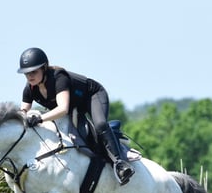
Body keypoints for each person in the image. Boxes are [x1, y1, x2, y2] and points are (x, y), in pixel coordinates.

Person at [17, 47, 134, 185]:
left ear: (44, 67)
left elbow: (63, 109)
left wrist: (40, 118)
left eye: (34, 72)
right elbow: (23, 111)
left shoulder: (58, 78)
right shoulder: (30, 88)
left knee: (100, 125)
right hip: (74, 106)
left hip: (92, 96)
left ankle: (120, 163)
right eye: (26, 73)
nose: (30, 76)